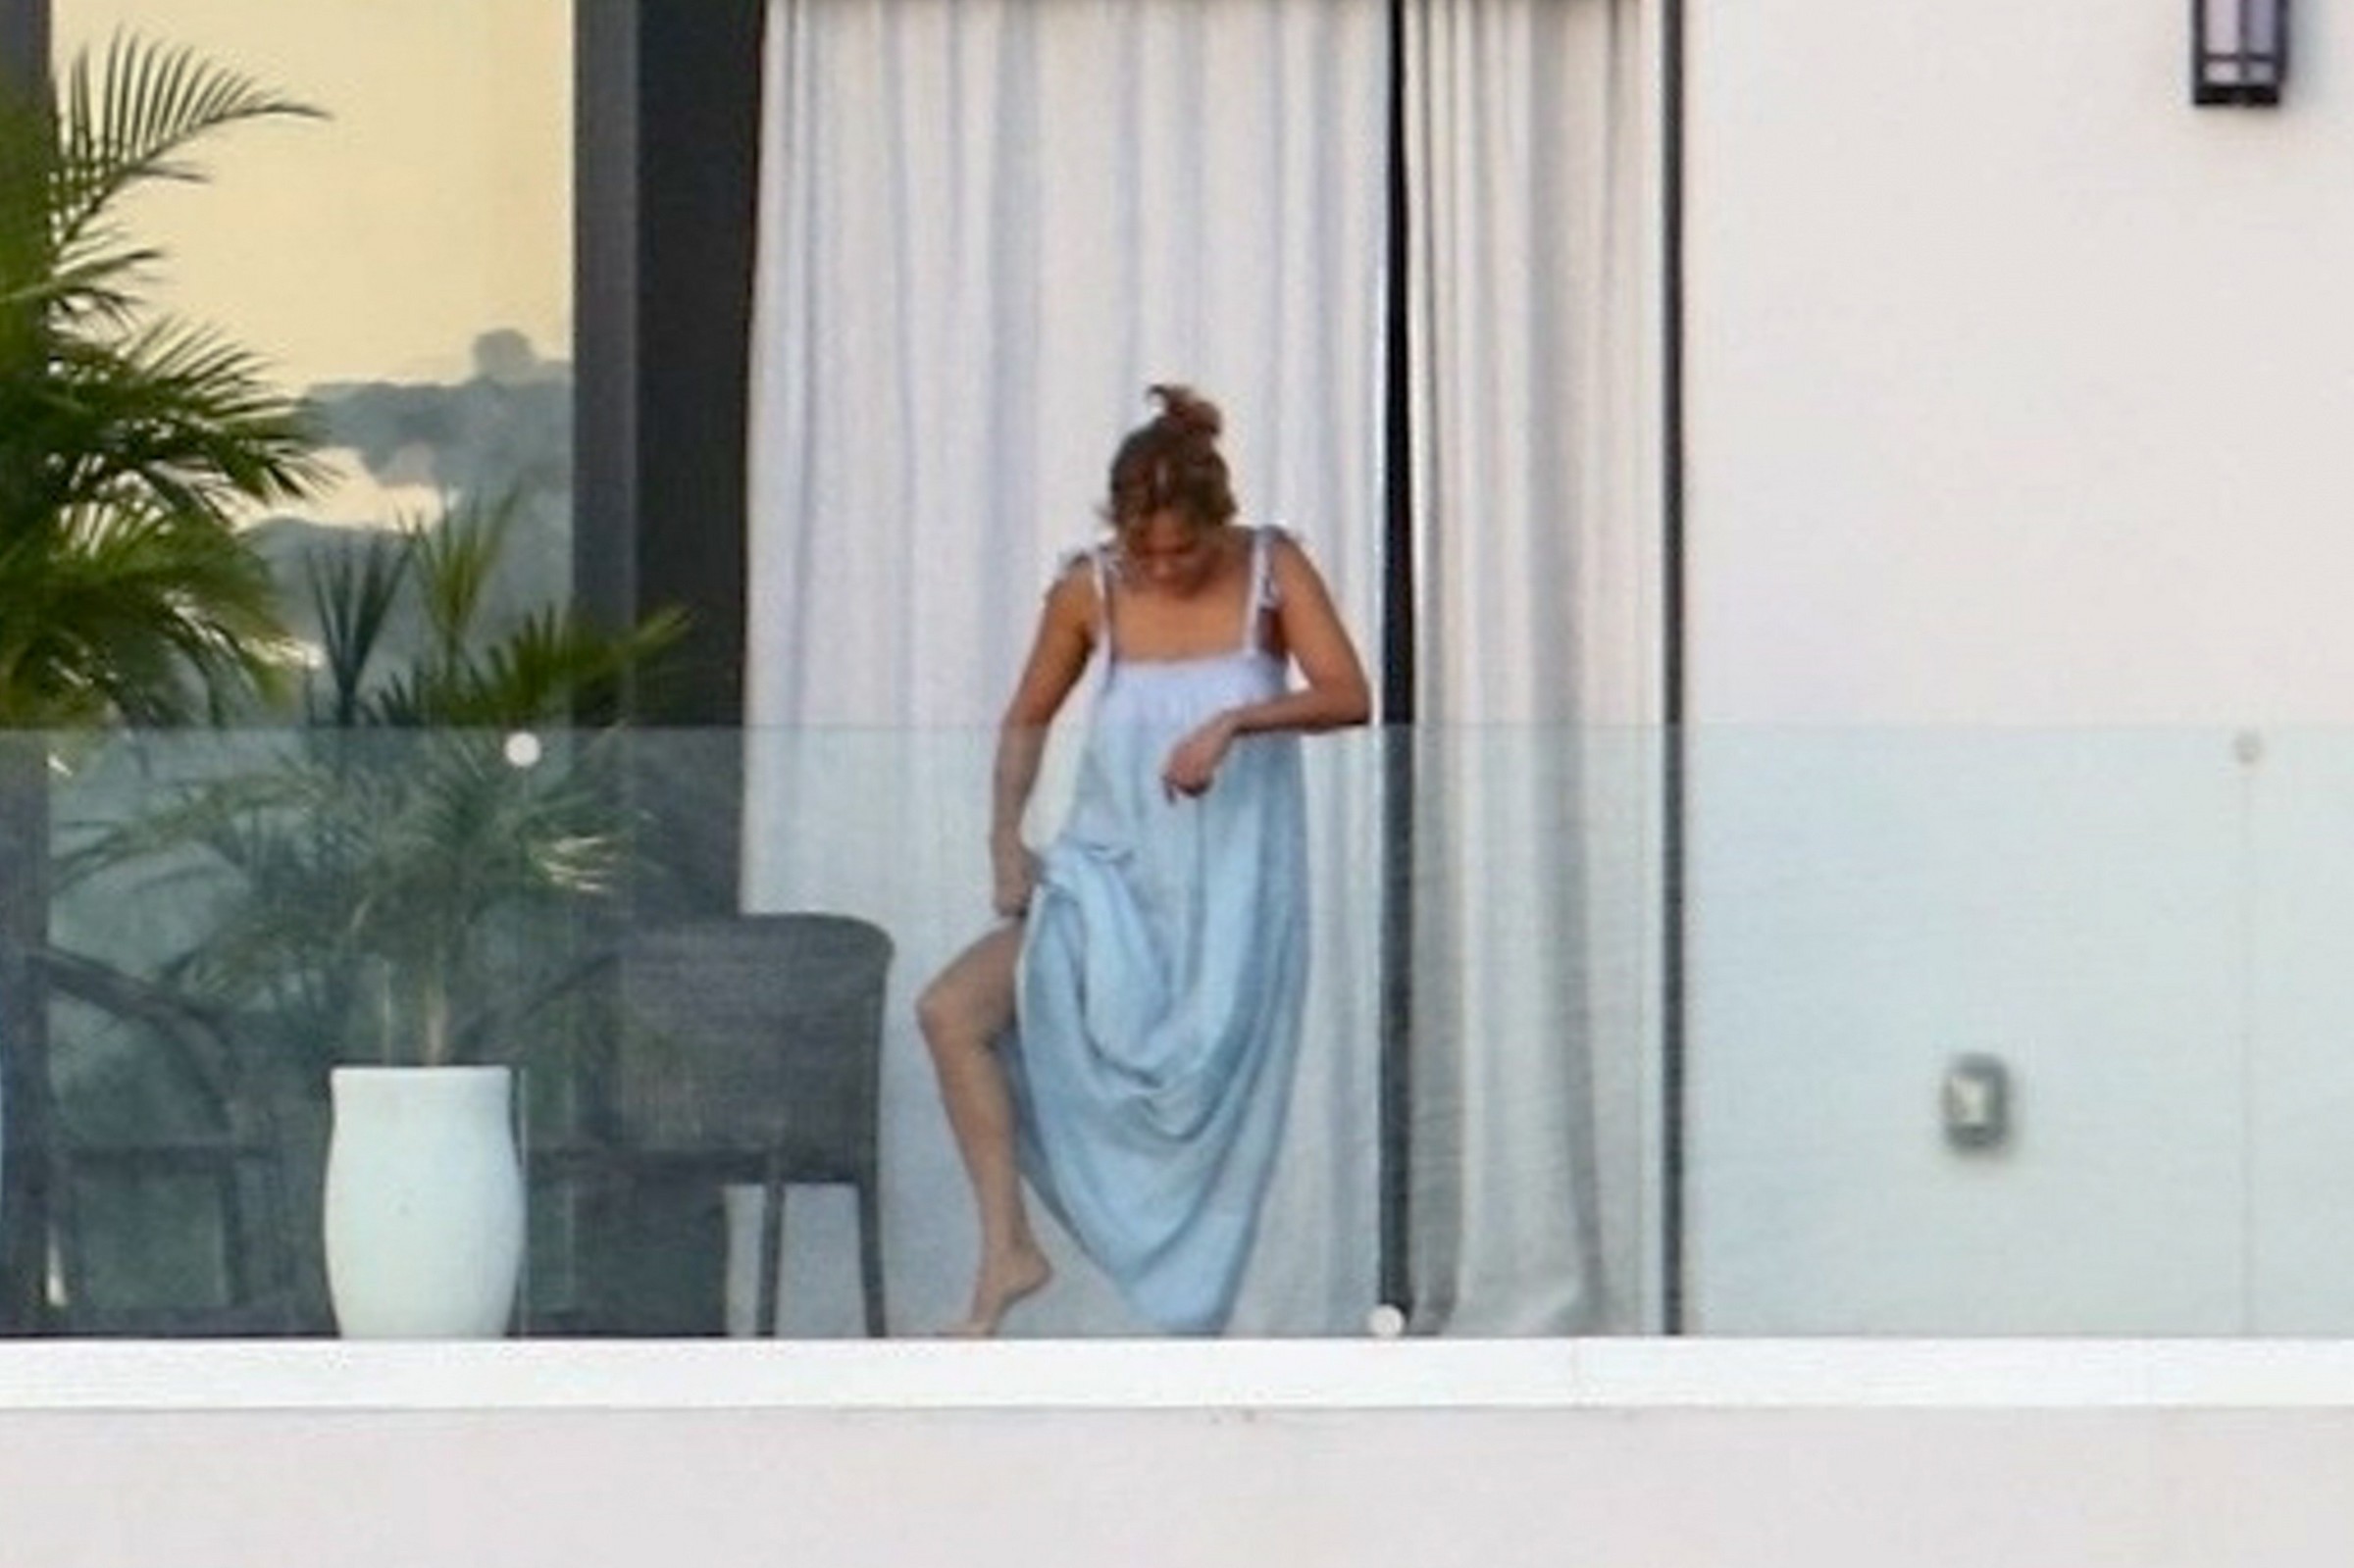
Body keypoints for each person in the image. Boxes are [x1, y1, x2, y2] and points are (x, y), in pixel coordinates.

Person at [916, 384, 1371, 1337]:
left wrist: (1237, 720)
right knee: (951, 1010)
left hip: (1229, 898)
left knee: (1196, 1099)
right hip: (1109, 876)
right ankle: (1007, 1247)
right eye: (1144, 550)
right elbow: (1025, 719)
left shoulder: (1271, 567)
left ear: (1218, 521)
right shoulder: (1089, 589)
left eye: (1183, 549)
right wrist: (1006, 841)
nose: (1162, 567)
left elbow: (1347, 693)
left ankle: (1203, 1311)